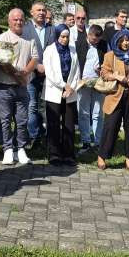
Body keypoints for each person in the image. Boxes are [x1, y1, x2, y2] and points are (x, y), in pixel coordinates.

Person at [96, 29, 129, 172]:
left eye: (128, 40)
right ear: (118, 41)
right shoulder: (110, 55)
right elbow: (104, 73)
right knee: (110, 127)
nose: (125, 43)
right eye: (123, 40)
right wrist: (117, 76)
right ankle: (102, 156)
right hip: (115, 96)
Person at [0, 9, 37, 166]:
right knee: (4, 120)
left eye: (21, 19)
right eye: (15, 20)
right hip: (4, 86)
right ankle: (8, 150)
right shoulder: (2, 37)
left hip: (22, 86)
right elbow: (3, 62)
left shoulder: (30, 37)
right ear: (9, 21)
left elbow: (35, 58)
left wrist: (24, 72)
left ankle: (21, 149)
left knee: (22, 120)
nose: (18, 22)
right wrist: (18, 77)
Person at [43, 25, 80, 165]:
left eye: (67, 37)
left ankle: (68, 153)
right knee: (53, 123)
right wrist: (63, 85)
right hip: (55, 90)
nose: (65, 40)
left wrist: (71, 87)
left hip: (70, 91)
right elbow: (50, 72)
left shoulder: (73, 50)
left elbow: (77, 71)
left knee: (69, 123)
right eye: (62, 37)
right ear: (57, 36)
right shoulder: (50, 50)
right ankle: (54, 154)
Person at [22, 1, 53, 149]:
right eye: (38, 10)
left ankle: (46, 136)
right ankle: (34, 137)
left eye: (43, 10)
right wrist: (35, 66)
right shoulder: (25, 29)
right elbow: (22, 51)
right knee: (32, 106)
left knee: (46, 107)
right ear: (31, 12)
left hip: (49, 76)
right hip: (31, 75)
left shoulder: (52, 30)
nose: (41, 12)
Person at [77, 24, 107, 151]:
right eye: (94, 39)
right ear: (88, 35)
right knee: (83, 113)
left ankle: (98, 141)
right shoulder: (78, 44)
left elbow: (107, 63)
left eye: (98, 40)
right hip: (83, 83)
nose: (96, 42)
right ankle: (86, 141)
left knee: (98, 112)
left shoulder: (103, 45)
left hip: (98, 83)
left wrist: (101, 69)